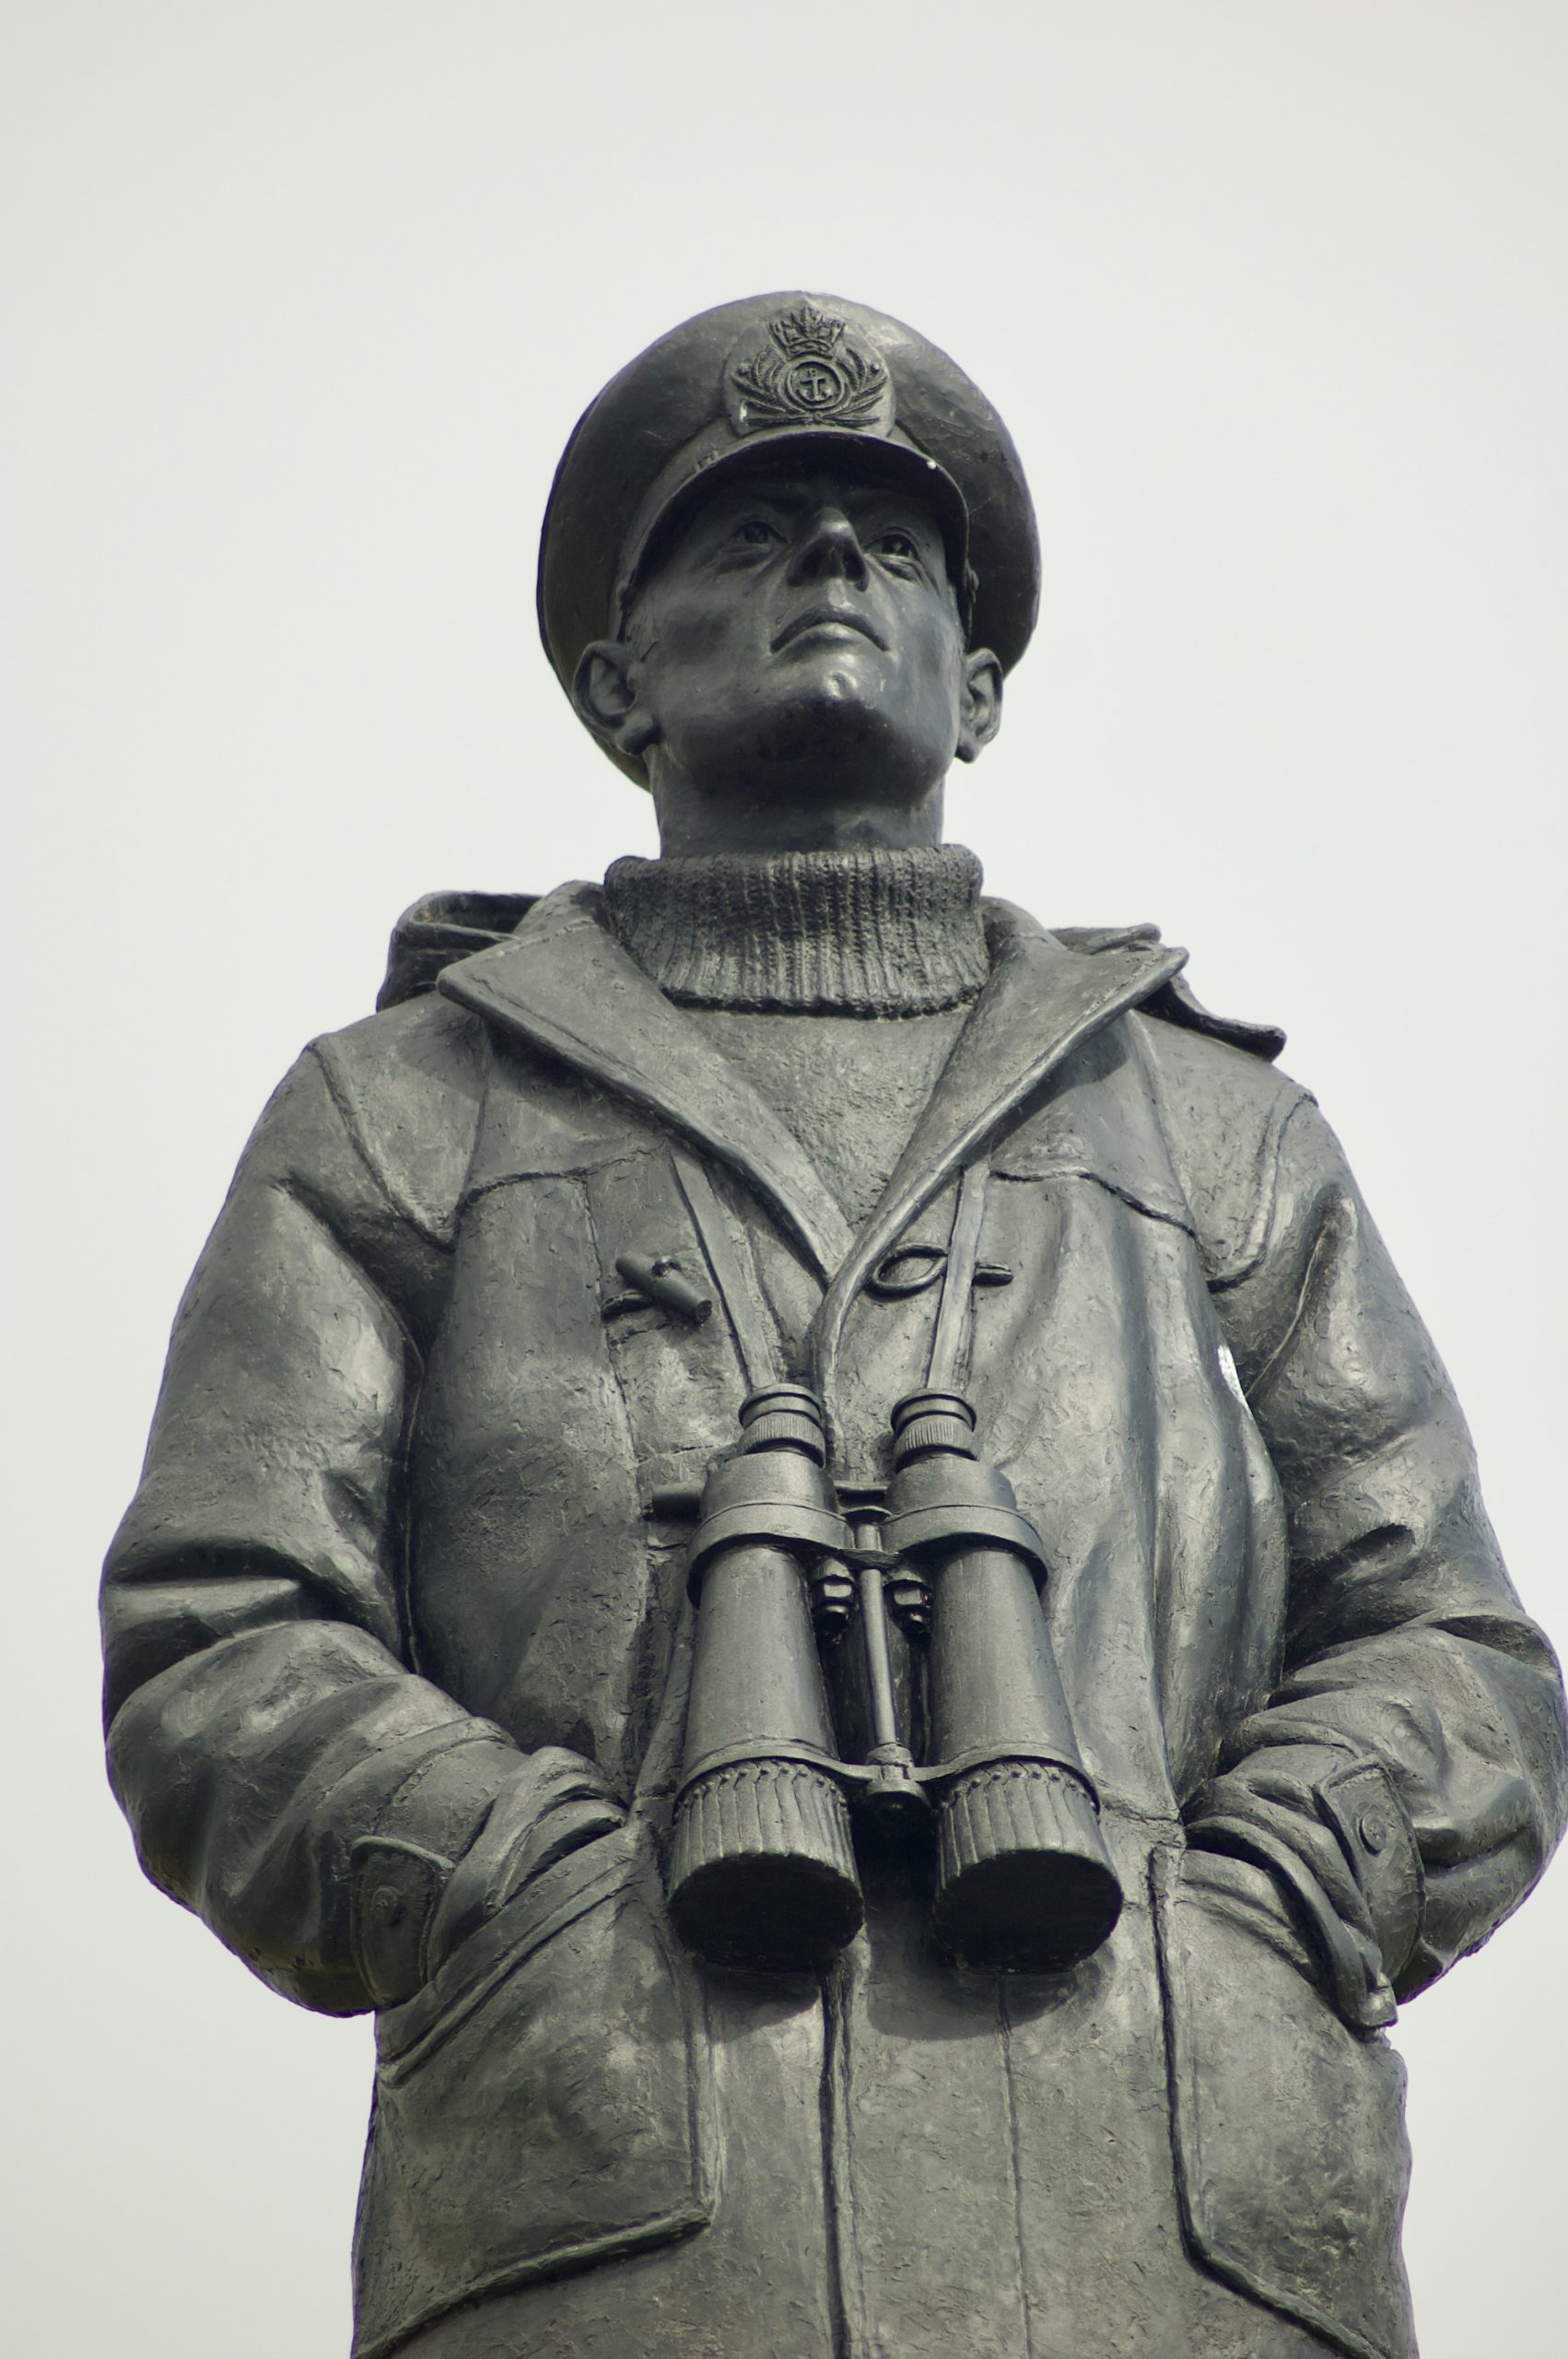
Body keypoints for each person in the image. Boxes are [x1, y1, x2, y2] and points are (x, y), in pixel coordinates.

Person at [102, 294, 1567, 2359]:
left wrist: (1253, 1908)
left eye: (888, 545)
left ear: (977, 684)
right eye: (751, 532)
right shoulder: (405, 1103)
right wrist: (518, 1884)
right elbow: (219, 1633)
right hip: (615, 2228)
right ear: (620, 685)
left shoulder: (1215, 1125)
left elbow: (1456, 1655)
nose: (827, 566)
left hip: (1180, 2226)